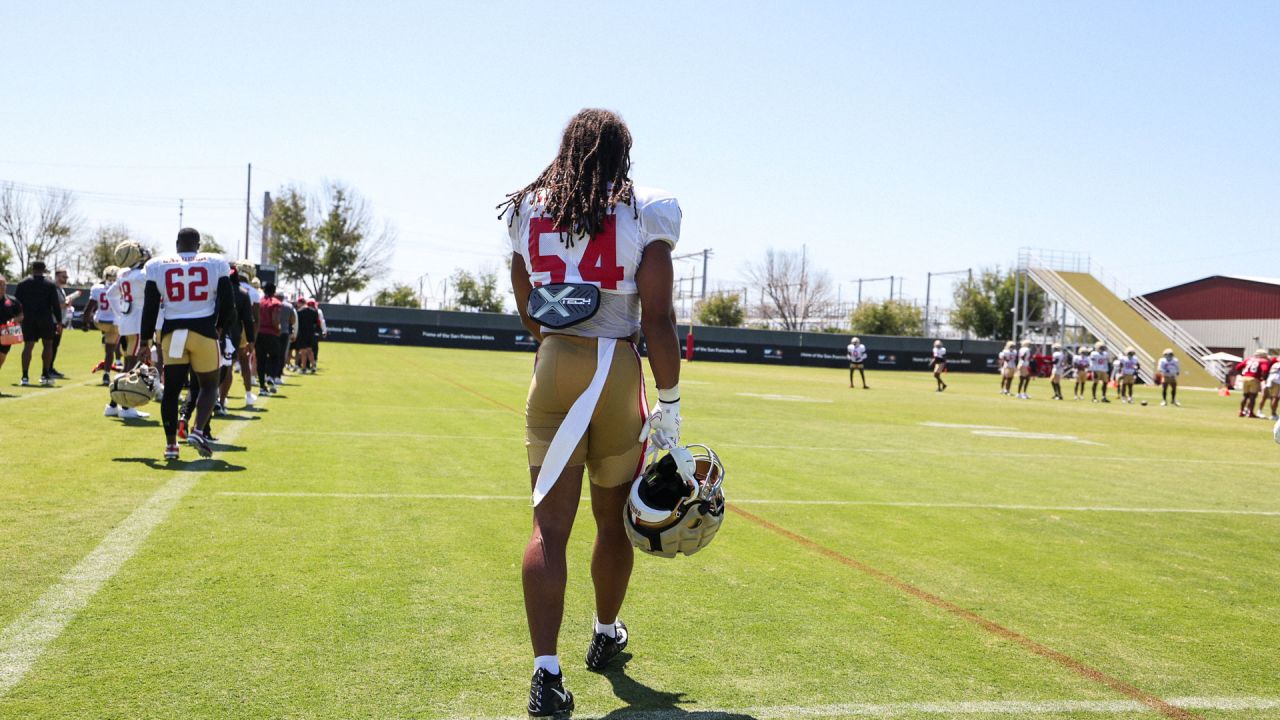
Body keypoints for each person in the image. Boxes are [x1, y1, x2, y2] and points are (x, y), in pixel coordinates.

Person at [499, 108, 682, 719]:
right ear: (621, 153)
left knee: (547, 529)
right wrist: (671, 402)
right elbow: (657, 316)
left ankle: (544, 675)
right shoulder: (645, 206)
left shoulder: (528, 206)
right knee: (611, 521)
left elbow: (528, 309)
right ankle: (606, 630)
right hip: (616, 369)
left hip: (553, 364)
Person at [138, 228, 233, 460]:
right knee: (209, 385)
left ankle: (171, 445)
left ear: (177, 243)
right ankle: (198, 431)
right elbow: (228, 303)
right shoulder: (216, 262)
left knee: (171, 390)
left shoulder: (157, 265)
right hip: (203, 331)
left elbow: (150, 308)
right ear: (198, 245)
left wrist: (144, 341)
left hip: (172, 333)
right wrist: (220, 328)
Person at [13, 260, 62, 386]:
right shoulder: (50, 285)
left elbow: (16, 302)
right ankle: (45, 374)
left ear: (32, 269)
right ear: (44, 269)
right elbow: (55, 305)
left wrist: (16, 317)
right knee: (48, 345)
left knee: (28, 346)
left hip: (28, 319)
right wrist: (59, 322)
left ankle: (25, 376)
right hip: (45, 319)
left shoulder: (23, 283)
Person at [84, 266, 120, 386]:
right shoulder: (121, 287)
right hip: (115, 323)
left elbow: (89, 308)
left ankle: (104, 336)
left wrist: (85, 322)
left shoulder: (97, 288)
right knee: (110, 351)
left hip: (100, 321)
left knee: (108, 341)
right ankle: (107, 373)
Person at [255, 283, 282, 395]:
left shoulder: (259, 301)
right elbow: (275, 319)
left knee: (260, 360)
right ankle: (270, 376)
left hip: (259, 334)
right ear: (274, 291)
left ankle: (262, 386)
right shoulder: (275, 303)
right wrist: (278, 329)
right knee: (275, 356)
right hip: (271, 333)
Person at [47, 267, 74, 379]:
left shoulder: (61, 289)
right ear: (57, 276)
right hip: (53, 321)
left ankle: (50, 368)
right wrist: (65, 305)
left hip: (60, 321)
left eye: (66, 276)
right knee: (51, 346)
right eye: (64, 276)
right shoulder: (52, 288)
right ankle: (47, 369)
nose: (66, 279)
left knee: (55, 346)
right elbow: (52, 305)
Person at [1233, 349, 1271, 419]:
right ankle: (1250, 412)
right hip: (1254, 378)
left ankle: (1241, 411)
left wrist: (1242, 374)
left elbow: (1238, 367)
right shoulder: (1263, 361)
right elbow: (1265, 370)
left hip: (1245, 378)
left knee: (1245, 396)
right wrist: (1263, 378)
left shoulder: (1249, 359)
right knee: (1253, 396)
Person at [0, 274, 23, 379]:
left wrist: (14, 320)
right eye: (0, 285)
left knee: (1, 358)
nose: (3, 287)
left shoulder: (12, 300)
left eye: (4, 285)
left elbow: (21, 315)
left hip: (7, 334)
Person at [294, 298, 321, 373]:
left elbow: (297, 323)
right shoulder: (314, 311)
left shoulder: (299, 312)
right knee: (309, 350)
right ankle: (313, 366)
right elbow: (316, 322)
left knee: (303, 351)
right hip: (311, 333)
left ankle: (304, 368)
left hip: (302, 333)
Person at [276, 290, 296, 384]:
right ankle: (278, 375)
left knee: (272, 354)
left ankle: (269, 374)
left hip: (273, 332)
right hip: (284, 332)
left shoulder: (273, 303)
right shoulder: (289, 306)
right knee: (282, 354)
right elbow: (293, 320)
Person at [1264, 352, 1280, 421]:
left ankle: (1273, 413)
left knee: (1272, 397)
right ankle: (1273, 414)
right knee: (1275, 398)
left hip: (1270, 380)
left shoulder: (1275, 364)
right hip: (1277, 380)